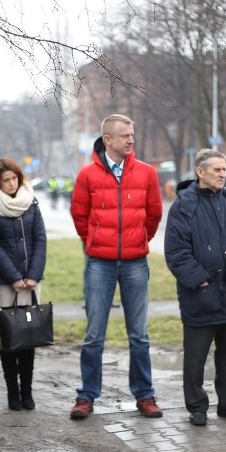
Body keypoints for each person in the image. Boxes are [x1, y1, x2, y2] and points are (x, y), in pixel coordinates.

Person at [69, 113, 164, 420]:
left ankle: (145, 394)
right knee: (94, 334)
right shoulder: (87, 175)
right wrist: (95, 242)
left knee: (139, 335)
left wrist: (138, 241)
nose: (131, 140)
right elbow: (79, 215)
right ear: (107, 140)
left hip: (136, 262)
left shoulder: (147, 173)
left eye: (132, 135)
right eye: (125, 135)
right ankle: (86, 396)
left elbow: (154, 214)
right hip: (99, 264)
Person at [164, 149, 226, 426]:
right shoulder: (184, 206)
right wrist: (200, 279)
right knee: (196, 358)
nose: (222, 174)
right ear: (200, 171)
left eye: (224, 169)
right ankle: (197, 407)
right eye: (217, 169)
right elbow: (177, 252)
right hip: (201, 295)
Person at [0, 158, 47, 411]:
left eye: (14, 179)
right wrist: (13, 277)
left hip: (31, 282)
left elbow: (40, 239)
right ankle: (12, 393)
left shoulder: (31, 202)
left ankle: (27, 391)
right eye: (5, 181)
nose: (11, 184)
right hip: (5, 283)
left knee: (29, 336)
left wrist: (33, 275)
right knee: (10, 337)